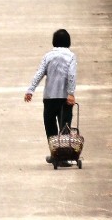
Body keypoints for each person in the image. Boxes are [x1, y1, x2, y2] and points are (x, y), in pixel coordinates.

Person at [24, 28, 77, 157]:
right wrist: (70, 93)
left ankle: (55, 154)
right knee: (65, 127)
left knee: (50, 126)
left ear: (54, 42)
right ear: (68, 42)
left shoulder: (48, 56)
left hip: (49, 98)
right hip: (65, 98)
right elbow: (71, 75)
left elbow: (39, 73)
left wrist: (31, 90)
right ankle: (64, 155)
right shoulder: (71, 56)